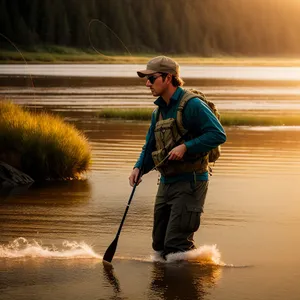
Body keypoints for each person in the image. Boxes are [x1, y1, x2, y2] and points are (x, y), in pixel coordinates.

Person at [129, 56, 226, 260]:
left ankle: (192, 286)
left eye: (152, 78)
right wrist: (138, 168)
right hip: (166, 183)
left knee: (176, 244)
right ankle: (168, 289)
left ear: (168, 78)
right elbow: (149, 146)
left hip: (191, 183)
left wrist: (186, 146)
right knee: (159, 244)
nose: (147, 83)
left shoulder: (193, 105)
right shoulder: (158, 112)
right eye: (146, 79)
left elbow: (218, 134)